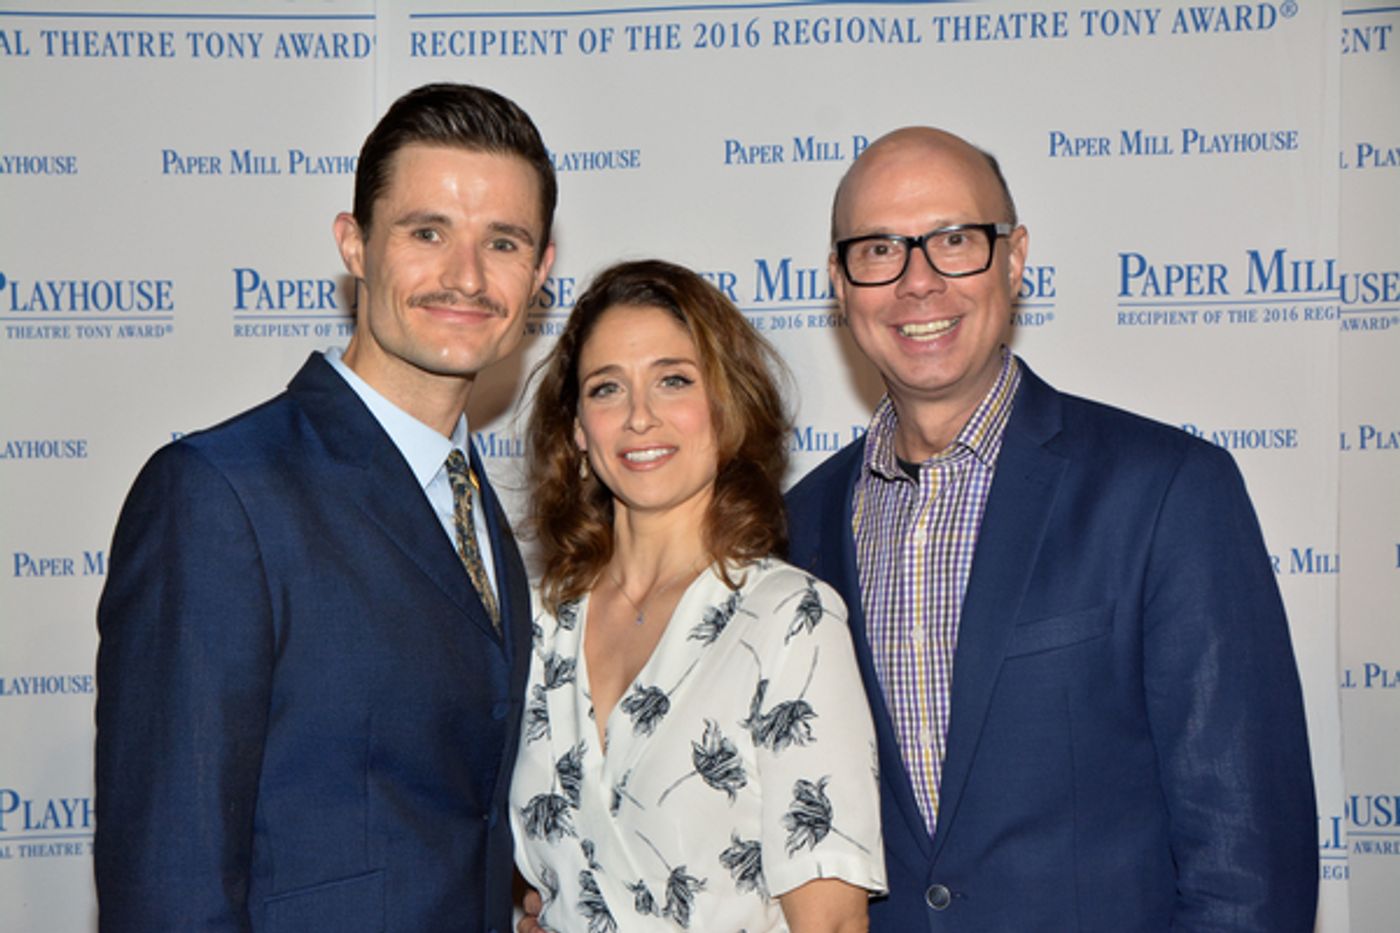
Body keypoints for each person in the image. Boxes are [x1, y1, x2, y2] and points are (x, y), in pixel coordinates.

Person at [783, 127, 1319, 930]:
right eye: (878, 249)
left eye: (954, 240)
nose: (917, 281)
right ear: (839, 281)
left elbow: (1244, 859)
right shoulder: (798, 525)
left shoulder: (1168, 490)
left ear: (1014, 256)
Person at [94, 83, 556, 932]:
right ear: (355, 245)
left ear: (541, 271)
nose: (466, 276)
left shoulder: (481, 513)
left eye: (503, 241)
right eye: (427, 233)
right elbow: (169, 884)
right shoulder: (219, 493)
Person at [511, 259, 886, 932]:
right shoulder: (539, 622)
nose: (639, 417)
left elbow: (830, 923)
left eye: (673, 380)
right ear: (577, 432)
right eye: (606, 389)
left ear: (725, 405)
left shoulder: (790, 620)